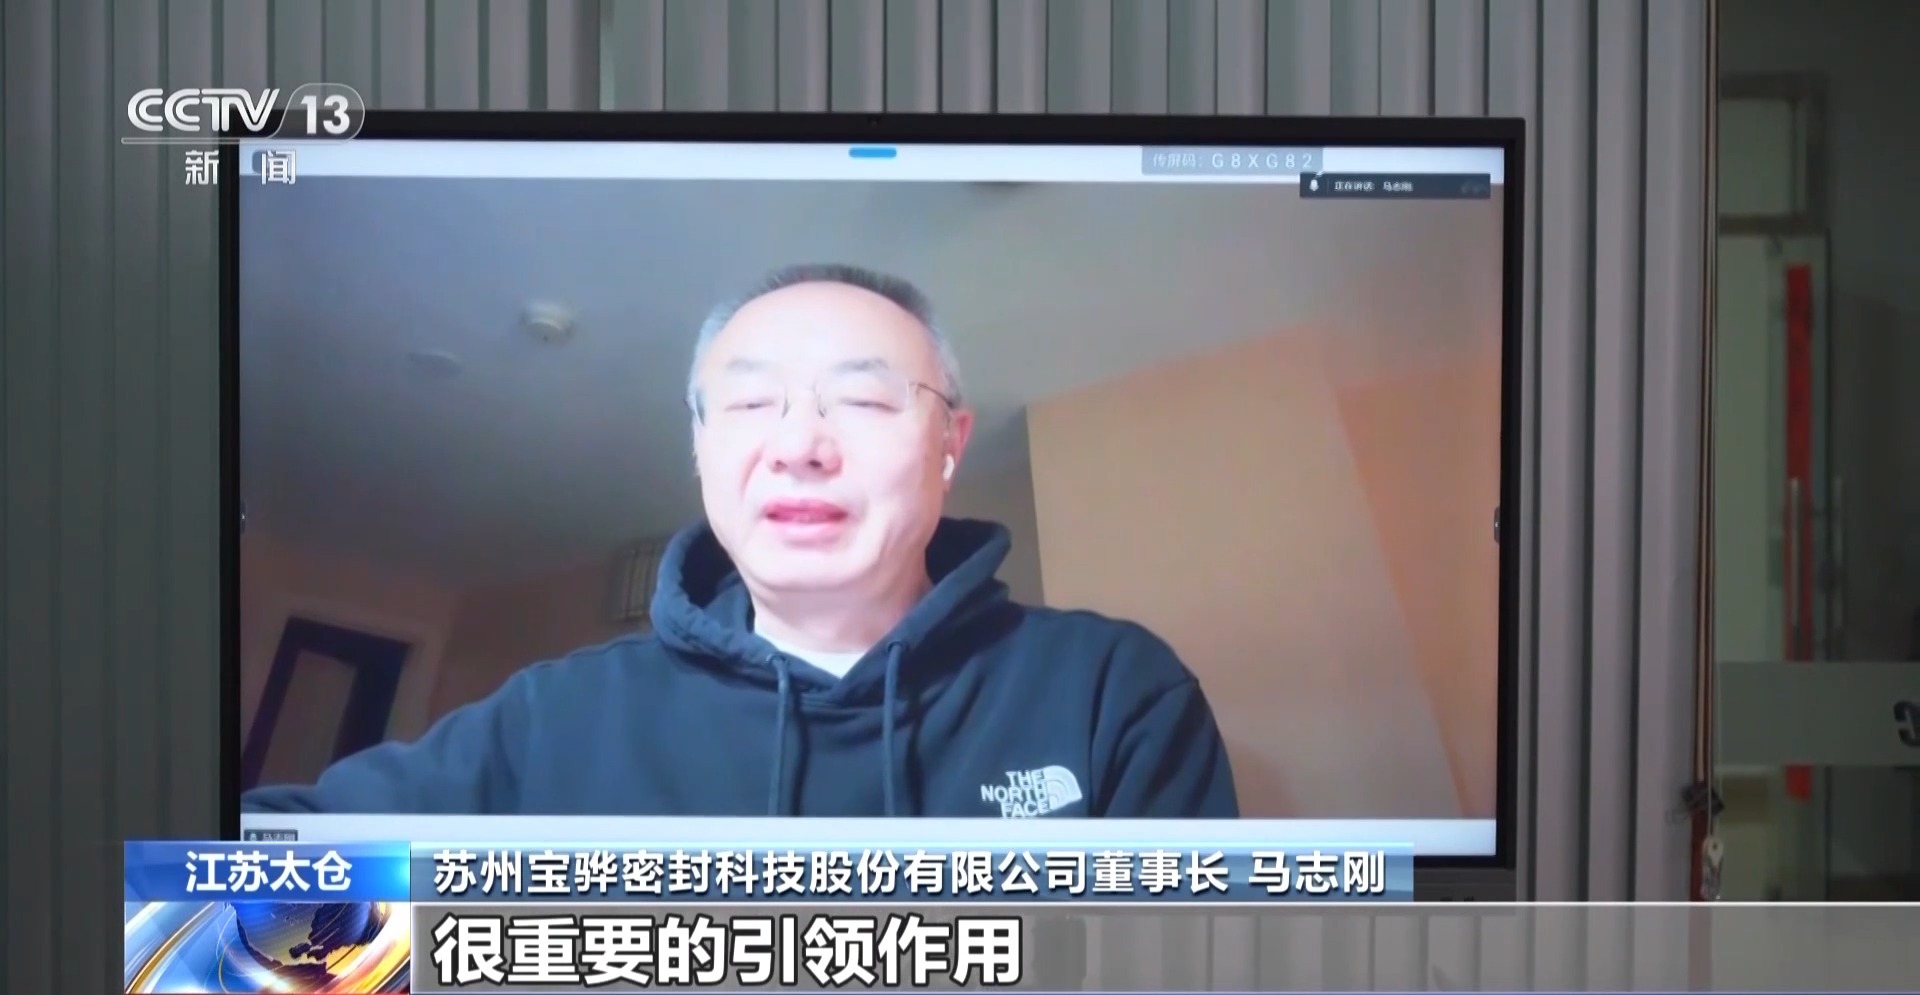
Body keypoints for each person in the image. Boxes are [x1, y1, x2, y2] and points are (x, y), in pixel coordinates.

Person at [242, 263, 1239, 818]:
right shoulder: (556, 716)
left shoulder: (1112, 692)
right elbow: (243, 907)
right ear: (701, 445)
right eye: (754, 403)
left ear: (949, 443)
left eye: (862, 400)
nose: (799, 445)